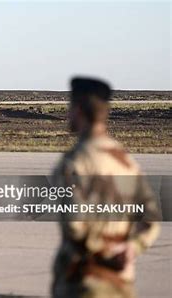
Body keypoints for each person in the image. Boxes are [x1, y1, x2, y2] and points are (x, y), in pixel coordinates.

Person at [51, 77, 160, 298]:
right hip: (121, 281)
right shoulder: (127, 161)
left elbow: (75, 224)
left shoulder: (75, 162)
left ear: (79, 110)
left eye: (70, 108)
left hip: (84, 282)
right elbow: (151, 217)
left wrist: (101, 250)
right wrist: (132, 248)